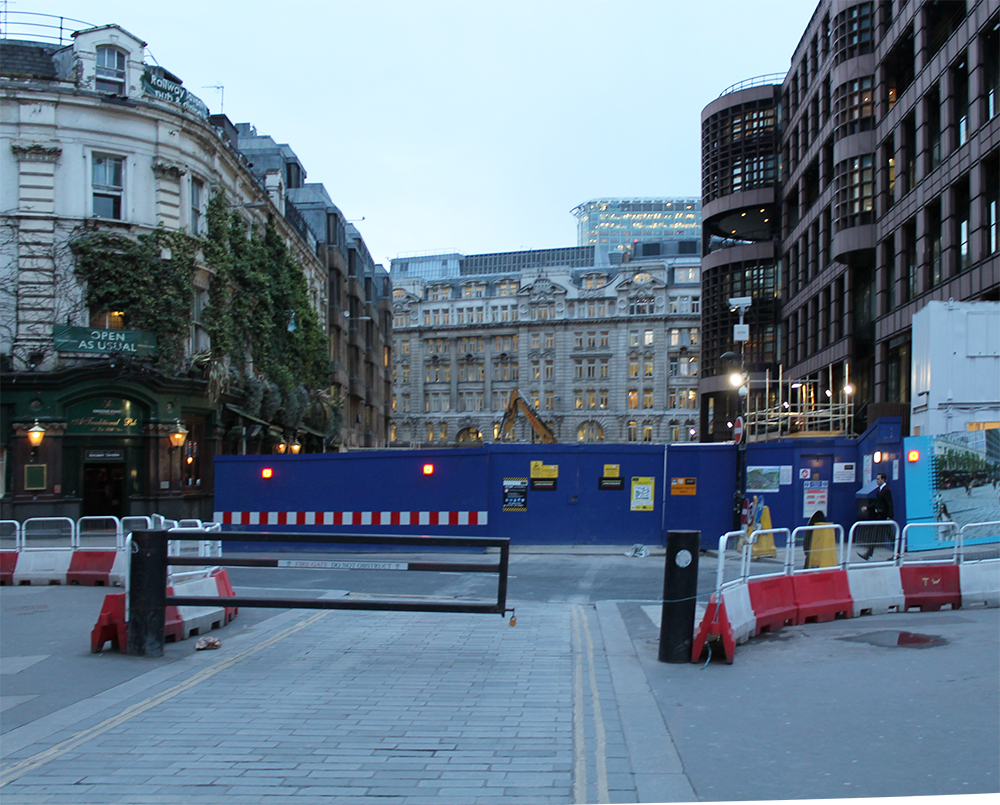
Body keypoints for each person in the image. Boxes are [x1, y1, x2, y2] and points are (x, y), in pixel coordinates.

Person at [859, 472, 894, 560]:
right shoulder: (880, 490)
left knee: (888, 535)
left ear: (883, 480)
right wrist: (868, 507)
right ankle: (869, 553)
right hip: (880, 516)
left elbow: (890, 504)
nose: (877, 481)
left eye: (878, 479)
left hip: (883, 517)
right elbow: (877, 502)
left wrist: (890, 516)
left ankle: (898, 553)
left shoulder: (886, 490)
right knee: (879, 535)